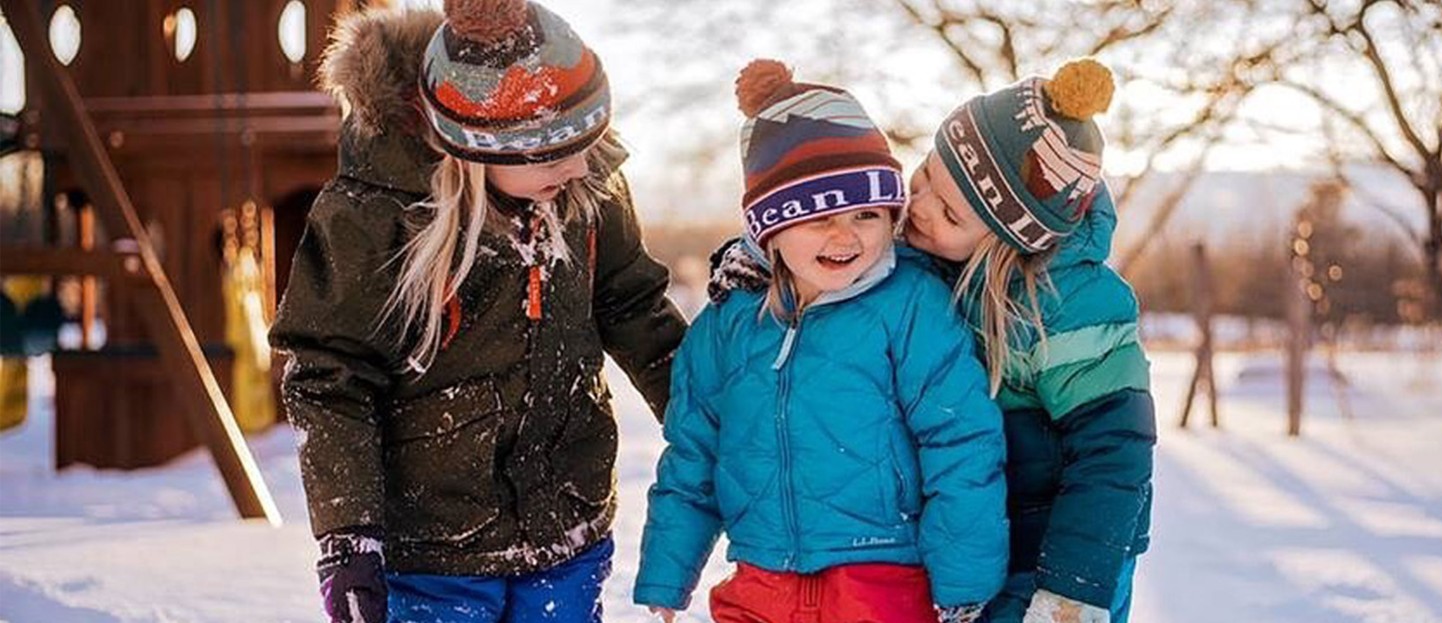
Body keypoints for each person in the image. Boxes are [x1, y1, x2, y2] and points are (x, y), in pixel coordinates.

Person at [269, 2, 684, 621]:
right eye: (552, 154)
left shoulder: (584, 187)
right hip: (433, 552)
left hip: (566, 527)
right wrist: (349, 538)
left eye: (588, 141)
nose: (579, 167)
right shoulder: (378, 215)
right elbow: (331, 377)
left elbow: (636, 309)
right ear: (476, 149)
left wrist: (720, 435)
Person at [713, 59, 1155, 623]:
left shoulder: (1075, 307)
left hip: (1061, 555)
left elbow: (1115, 454)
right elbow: (837, 246)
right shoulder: (933, 257)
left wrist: (1073, 587)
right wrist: (763, 261)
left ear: (1006, 243)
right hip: (979, 541)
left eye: (947, 211)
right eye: (923, 177)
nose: (916, 209)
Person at [634, 60, 1008, 623]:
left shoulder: (909, 306)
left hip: (883, 582)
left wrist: (963, 581)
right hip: (760, 579)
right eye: (817, 218)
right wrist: (666, 576)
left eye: (866, 213)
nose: (845, 235)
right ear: (770, 231)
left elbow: (960, 442)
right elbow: (693, 456)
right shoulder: (728, 325)